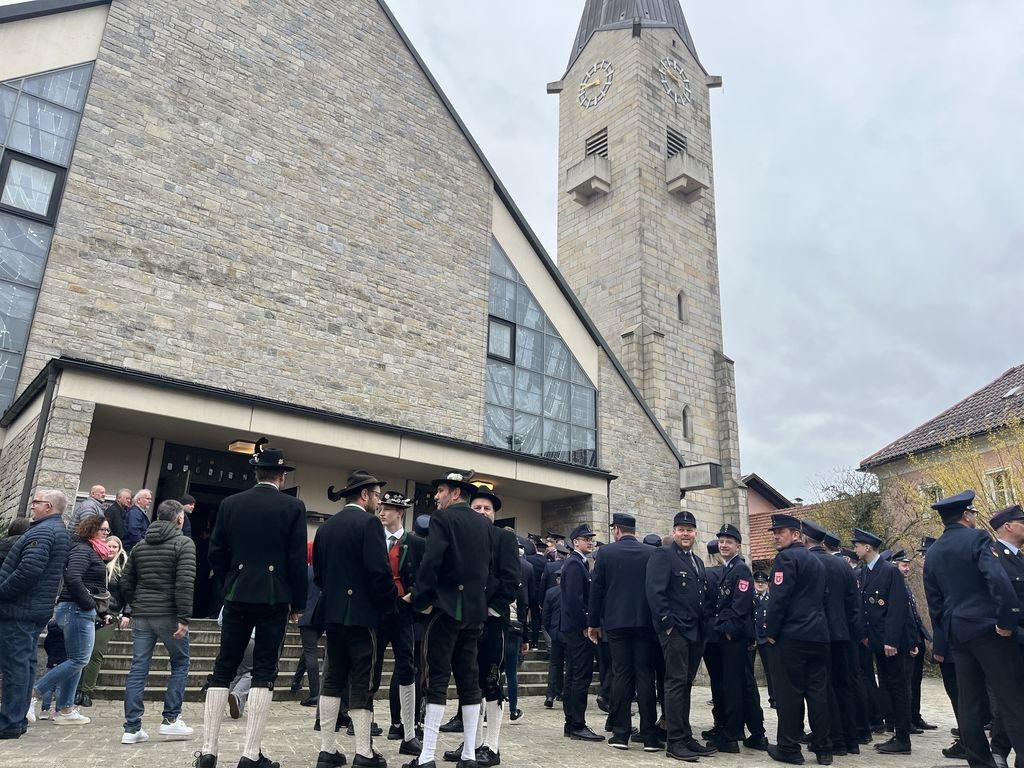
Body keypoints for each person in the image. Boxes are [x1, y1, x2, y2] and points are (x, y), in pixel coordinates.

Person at [196, 446, 308, 768]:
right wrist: (298, 602)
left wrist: (231, 581)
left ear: (256, 473)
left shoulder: (231, 503)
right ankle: (250, 754)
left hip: (237, 591)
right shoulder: (293, 506)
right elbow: (297, 560)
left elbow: (216, 552)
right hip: (274, 595)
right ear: (282, 476)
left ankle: (208, 751)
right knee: (264, 671)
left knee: (224, 667)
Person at [925, 491, 1024, 768]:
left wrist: (941, 642)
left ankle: (980, 762)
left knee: (968, 703)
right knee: (1011, 697)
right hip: (988, 630)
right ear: (966, 515)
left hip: (958, 633)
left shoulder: (934, 552)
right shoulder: (977, 538)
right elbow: (998, 581)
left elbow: (935, 603)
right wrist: (1006, 622)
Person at [401, 470, 493, 768]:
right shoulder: (484, 524)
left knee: (436, 679)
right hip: (473, 612)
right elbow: (487, 569)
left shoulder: (442, 518)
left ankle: (427, 756)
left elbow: (432, 562)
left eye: (441, 490)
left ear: (455, 494)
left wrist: (419, 599)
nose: (436, 496)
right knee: (469, 681)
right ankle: (469, 755)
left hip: (444, 609)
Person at [313, 469, 397, 768]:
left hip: (333, 613)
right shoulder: (369, 524)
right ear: (364, 495)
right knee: (363, 681)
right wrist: (389, 606)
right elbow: (379, 572)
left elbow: (319, 575)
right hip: (363, 614)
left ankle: (327, 750)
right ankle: (364, 752)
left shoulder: (326, 526)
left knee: (333, 679)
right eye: (376, 496)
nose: (379, 502)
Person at [443, 487, 520, 766]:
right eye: (477, 507)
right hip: (465, 620)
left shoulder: (503, 538)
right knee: (468, 682)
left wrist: (491, 609)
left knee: (490, 680)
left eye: (488, 508)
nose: (483, 512)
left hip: (492, 621)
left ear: (494, 513)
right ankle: (472, 743)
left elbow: (511, 581)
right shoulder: (461, 537)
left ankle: (492, 746)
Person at [118, 498, 196, 743]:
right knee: (180, 663)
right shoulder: (184, 543)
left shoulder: (140, 545)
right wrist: (184, 618)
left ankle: (132, 728)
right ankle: (171, 720)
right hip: (169, 614)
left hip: (142, 614)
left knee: (138, 667)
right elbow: (184, 583)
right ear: (179, 519)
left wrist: (136, 602)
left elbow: (125, 581)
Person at [645, 510, 715, 762]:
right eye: (681, 529)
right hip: (676, 630)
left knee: (686, 683)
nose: (685, 534)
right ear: (674, 532)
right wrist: (667, 625)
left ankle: (685, 736)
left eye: (690, 530)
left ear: (695, 533)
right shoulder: (663, 555)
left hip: (695, 631)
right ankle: (674, 741)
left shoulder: (696, 561)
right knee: (675, 682)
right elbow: (655, 592)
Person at [588, 512, 660, 751]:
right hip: (645, 622)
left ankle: (621, 734)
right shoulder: (651, 553)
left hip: (616, 622)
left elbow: (596, 590)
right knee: (645, 675)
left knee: (621, 675)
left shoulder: (606, 553)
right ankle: (649, 737)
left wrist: (593, 623)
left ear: (616, 530)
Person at [763, 513, 831, 766]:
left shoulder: (786, 558)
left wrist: (770, 632)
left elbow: (778, 599)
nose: (776, 537)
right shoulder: (817, 561)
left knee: (789, 694)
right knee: (818, 693)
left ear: (796, 535)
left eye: (780, 532)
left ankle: (789, 748)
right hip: (818, 635)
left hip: (793, 636)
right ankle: (824, 749)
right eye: (774, 533)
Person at [29, 514, 107, 727]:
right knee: (79, 660)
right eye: (103, 530)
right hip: (77, 609)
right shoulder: (83, 550)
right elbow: (73, 576)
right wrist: (89, 603)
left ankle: (65, 708)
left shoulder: (89, 550)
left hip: (76, 609)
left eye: (107, 530)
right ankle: (34, 693)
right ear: (92, 530)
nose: (106, 534)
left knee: (75, 660)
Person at [803, 520, 863, 756]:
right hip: (843, 634)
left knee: (823, 689)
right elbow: (854, 603)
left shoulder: (807, 562)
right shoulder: (842, 565)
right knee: (844, 686)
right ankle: (851, 739)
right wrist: (856, 634)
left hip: (818, 634)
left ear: (804, 539)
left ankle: (833, 739)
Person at [852, 528, 912, 756]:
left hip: (890, 643)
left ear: (867, 547)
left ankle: (903, 737)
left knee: (898, 687)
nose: (855, 549)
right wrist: (865, 636)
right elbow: (865, 608)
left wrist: (891, 640)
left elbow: (897, 608)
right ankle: (895, 732)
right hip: (876, 641)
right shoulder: (865, 572)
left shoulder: (889, 571)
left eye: (857, 545)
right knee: (888, 685)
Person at [372, 491, 424, 749]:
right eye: (381, 508)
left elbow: (425, 577)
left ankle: (408, 732)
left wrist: (410, 598)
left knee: (407, 666)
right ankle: (365, 722)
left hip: (403, 611)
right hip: (377, 611)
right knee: (371, 664)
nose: (382, 512)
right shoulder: (372, 539)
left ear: (400, 512)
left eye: (388, 509)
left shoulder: (415, 542)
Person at [708, 523, 766, 753]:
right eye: (721, 541)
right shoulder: (729, 568)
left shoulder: (740, 569)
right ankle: (756, 733)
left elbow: (740, 605)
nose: (723, 545)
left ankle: (731, 736)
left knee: (733, 685)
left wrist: (728, 630)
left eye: (728, 542)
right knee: (743, 683)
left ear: (738, 546)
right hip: (732, 634)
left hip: (734, 637)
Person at [559, 523, 603, 742]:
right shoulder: (575, 564)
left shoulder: (578, 562)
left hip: (573, 628)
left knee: (574, 675)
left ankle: (572, 722)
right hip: (577, 630)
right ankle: (577, 723)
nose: (590, 542)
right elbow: (575, 600)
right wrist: (586, 626)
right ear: (576, 542)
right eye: (586, 539)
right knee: (580, 676)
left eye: (591, 539)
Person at [77, 530, 127, 707]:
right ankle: (77, 689)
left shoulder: (122, 568)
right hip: (90, 609)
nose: (111, 549)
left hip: (110, 613)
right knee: (82, 651)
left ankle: (86, 690)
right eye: (109, 546)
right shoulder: (94, 562)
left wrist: (127, 613)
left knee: (96, 651)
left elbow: (128, 592)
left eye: (115, 547)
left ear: (119, 549)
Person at [891, 550, 934, 735]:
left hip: (917, 637)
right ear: (895, 566)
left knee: (915, 681)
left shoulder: (905, 585)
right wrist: (911, 642)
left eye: (908, 565)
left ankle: (914, 717)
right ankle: (906, 721)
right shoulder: (896, 586)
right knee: (906, 683)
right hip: (908, 641)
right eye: (904, 565)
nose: (907, 569)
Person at [291, 542, 323, 707]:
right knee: (308, 649)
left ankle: (314, 693)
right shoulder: (322, 571)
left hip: (307, 615)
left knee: (310, 652)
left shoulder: (305, 571)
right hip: (321, 617)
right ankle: (296, 682)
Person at [752, 571, 775, 710]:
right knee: (748, 671)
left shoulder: (771, 598)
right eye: (758, 582)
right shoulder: (749, 597)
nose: (760, 585)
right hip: (751, 637)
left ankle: (774, 698)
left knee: (771, 670)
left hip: (766, 638)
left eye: (763, 583)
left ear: (767, 584)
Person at [542, 573, 565, 709]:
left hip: (556, 633)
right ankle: (563, 692)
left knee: (555, 664)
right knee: (570, 664)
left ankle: (550, 694)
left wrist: (551, 631)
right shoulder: (572, 591)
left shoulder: (551, 592)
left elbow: (545, 616)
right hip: (570, 633)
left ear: (557, 580)